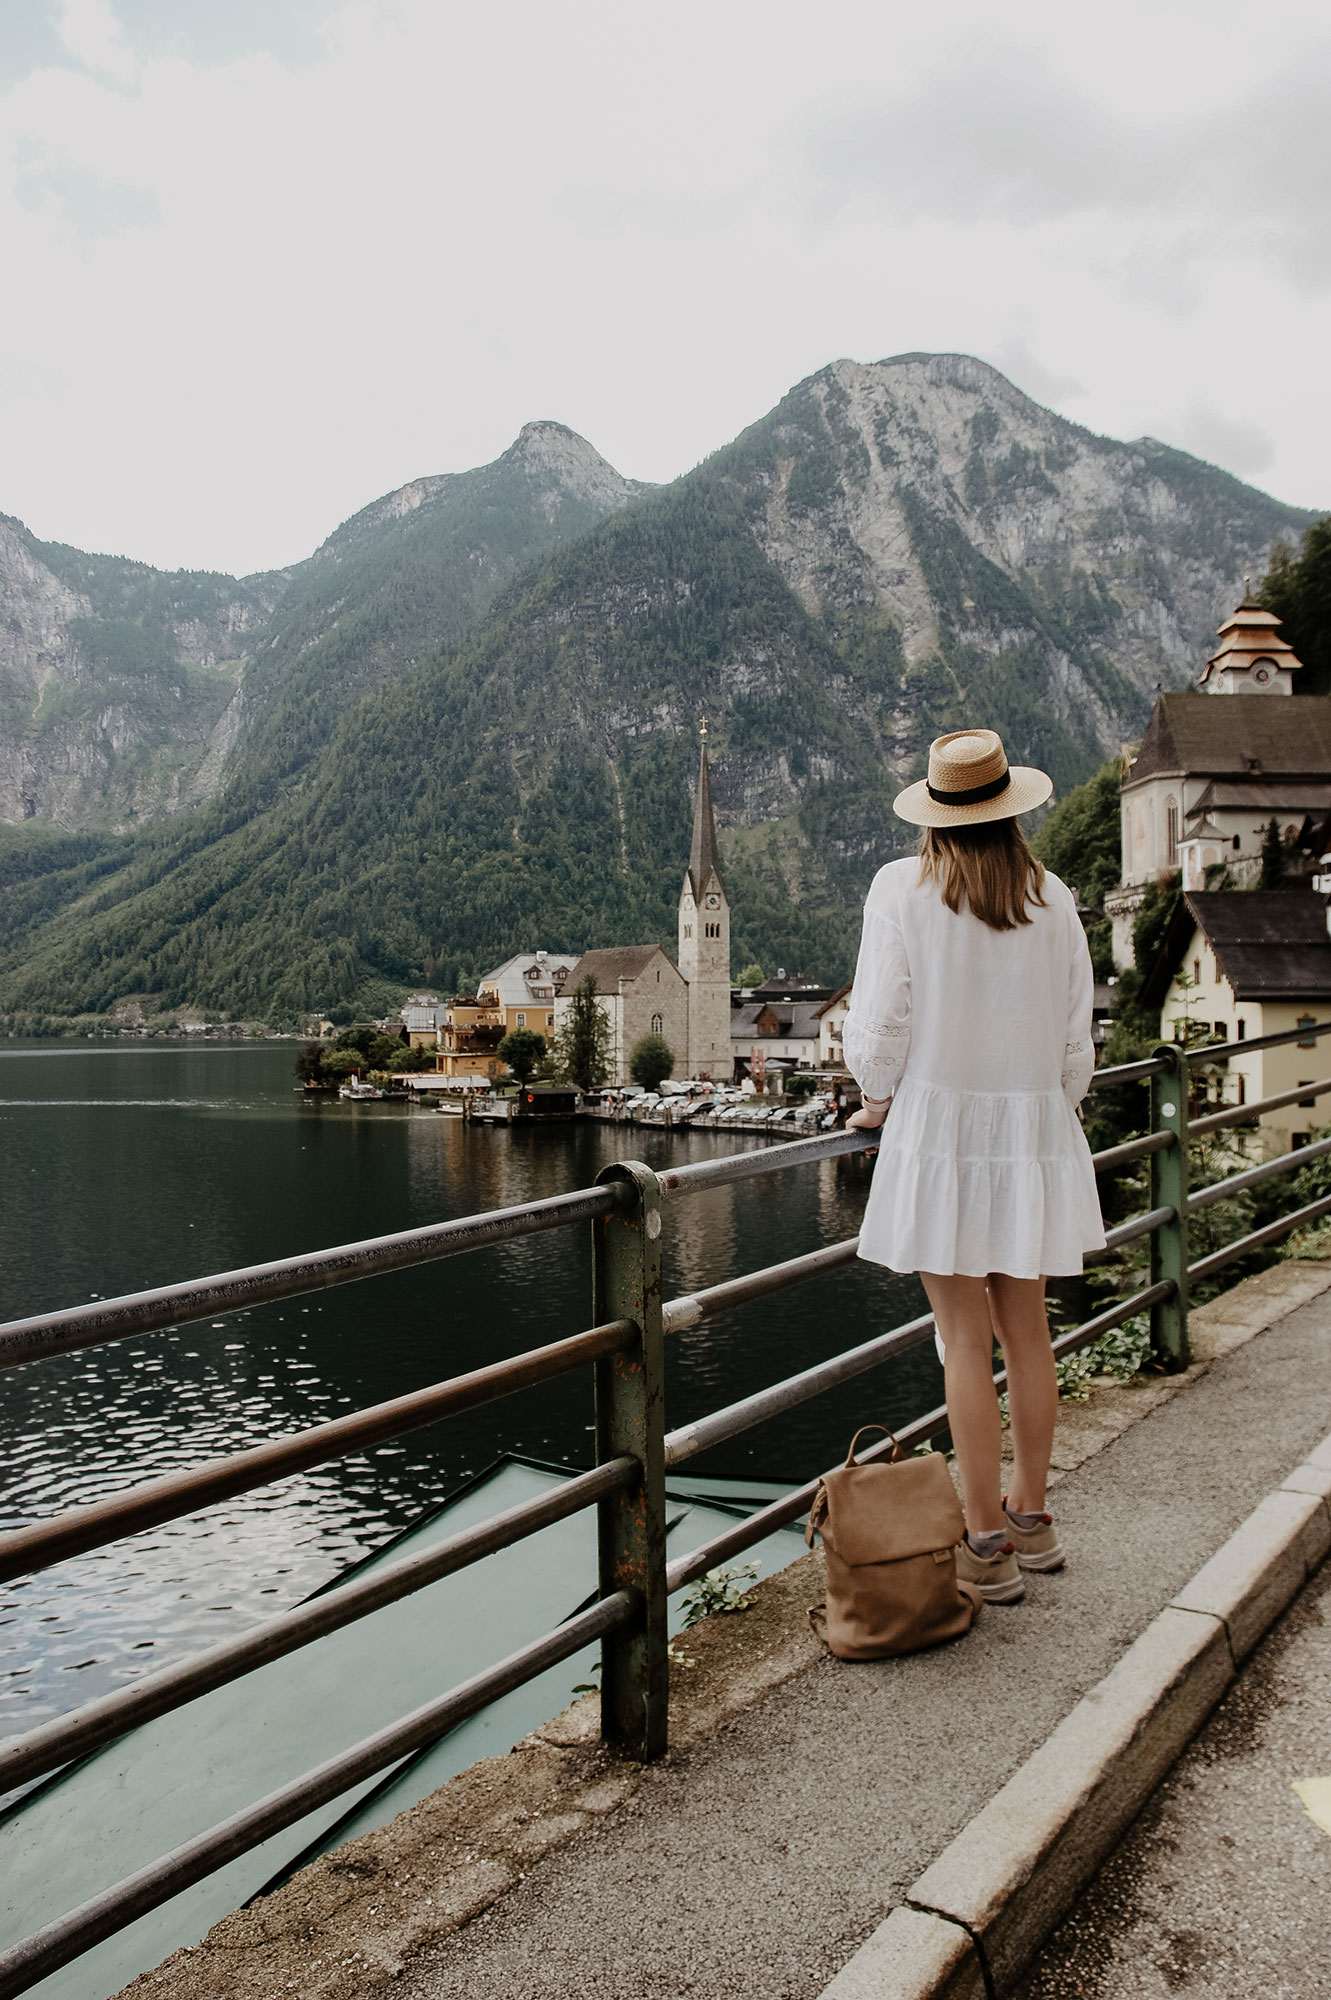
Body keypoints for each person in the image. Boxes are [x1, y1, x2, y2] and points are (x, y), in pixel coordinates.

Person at [843, 729, 1105, 1604]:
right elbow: (1077, 1043)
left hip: (941, 1132)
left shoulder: (900, 889)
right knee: (1025, 1331)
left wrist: (876, 1094)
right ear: (1010, 807)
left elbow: (880, 1033)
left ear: (936, 812)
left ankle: (983, 1543)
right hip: (1029, 1131)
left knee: (962, 1340)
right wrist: (1046, 1101)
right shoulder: (1053, 896)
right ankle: (1032, 1522)